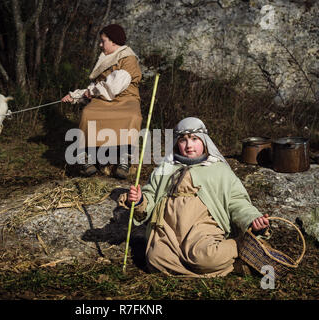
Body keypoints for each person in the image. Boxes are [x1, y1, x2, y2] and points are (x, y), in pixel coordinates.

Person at [118, 117, 270, 277]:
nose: (189, 145)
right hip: (167, 230)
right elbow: (150, 196)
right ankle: (221, 268)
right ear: (177, 143)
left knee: (206, 257)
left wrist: (252, 218)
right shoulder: (165, 168)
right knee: (155, 260)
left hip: (202, 228)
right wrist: (140, 200)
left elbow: (237, 201)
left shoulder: (219, 170)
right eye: (183, 140)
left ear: (204, 141)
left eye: (194, 139)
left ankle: (239, 246)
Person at [62, 24, 142, 179]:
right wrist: (76, 95)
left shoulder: (128, 59)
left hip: (126, 98)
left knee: (132, 116)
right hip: (104, 97)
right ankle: (86, 155)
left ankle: (124, 157)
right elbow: (97, 86)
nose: (100, 44)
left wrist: (90, 92)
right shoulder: (106, 58)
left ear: (113, 42)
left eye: (103, 41)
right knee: (89, 113)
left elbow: (115, 84)